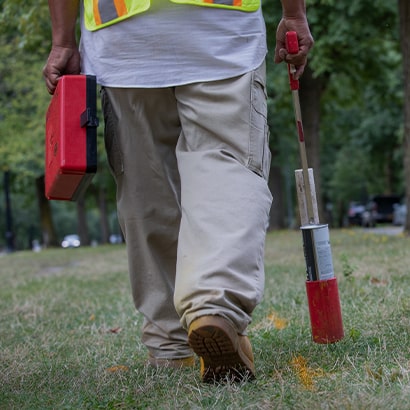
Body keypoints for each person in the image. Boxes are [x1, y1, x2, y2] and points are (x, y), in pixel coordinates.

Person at [43, 0, 313, 383]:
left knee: (146, 187)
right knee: (227, 167)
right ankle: (213, 304)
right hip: (220, 29)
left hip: (121, 31)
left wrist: (62, 41)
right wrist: (294, 14)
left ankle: (170, 344)